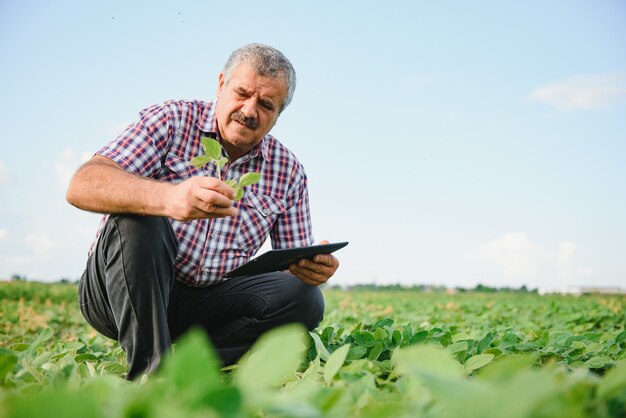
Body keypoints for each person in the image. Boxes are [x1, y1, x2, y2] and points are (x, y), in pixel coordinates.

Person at [66, 43, 340, 380]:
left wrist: (309, 271)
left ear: (278, 114)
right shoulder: (171, 120)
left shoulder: (288, 171)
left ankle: (194, 369)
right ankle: (151, 374)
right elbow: (83, 184)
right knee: (141, 219)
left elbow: (289, 266)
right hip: (120, 294)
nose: (249, 110)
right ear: (221, 84)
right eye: (241, 93)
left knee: (305, 298)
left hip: (206, 303)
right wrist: (167, 198)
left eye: (266, 104)